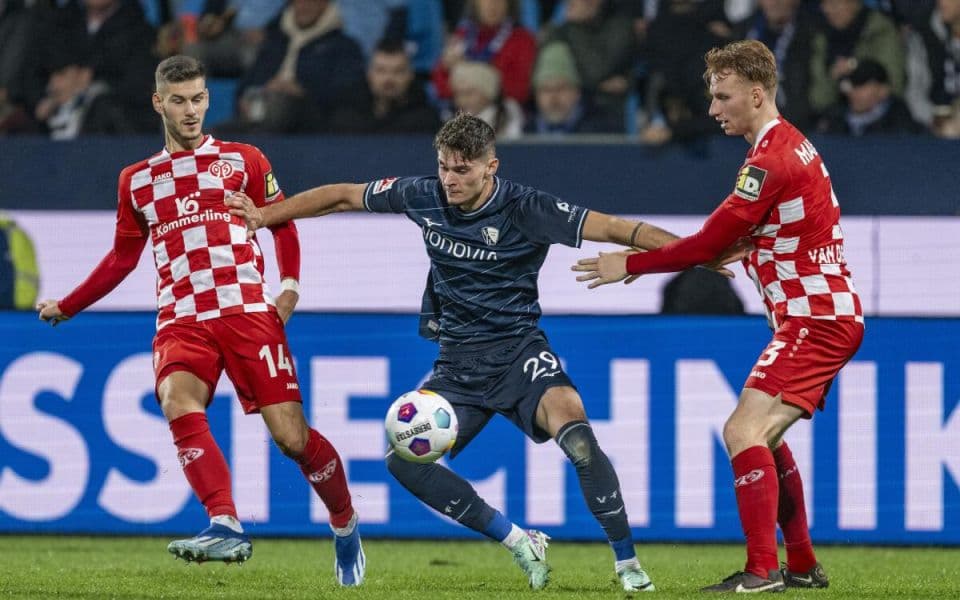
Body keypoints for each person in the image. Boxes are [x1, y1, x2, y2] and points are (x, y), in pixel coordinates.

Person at [226, 112, 716, 593]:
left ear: (490, 167)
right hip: (458, 365)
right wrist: (264, 216)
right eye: (444, 166)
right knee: (402, 461)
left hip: (520, 353)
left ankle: (628, 564)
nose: (450, 179)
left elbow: (617, 228)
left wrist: (695, 252)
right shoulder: (424, 195)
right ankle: (518, 540)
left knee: (579, 438)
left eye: (462, 169)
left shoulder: (527, 208)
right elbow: (341, 196)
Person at [35, 55, 365, 587]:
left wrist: (289, 287)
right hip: (182, 317)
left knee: (291, 439)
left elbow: (282, 224)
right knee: (175, 397)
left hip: (246, 311)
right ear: (158, 103)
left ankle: (344, 522)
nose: (190, 111)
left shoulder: (244, 159)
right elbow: (121, 258)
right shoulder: (136, 180)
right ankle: (224, 522)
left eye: (198, 99)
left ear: (208, 99)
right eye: (179, 101)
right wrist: (69, 304)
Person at [573, 40, 864, 593]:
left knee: (742, 431)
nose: (712, 109)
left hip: (816, 318)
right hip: (820, 314)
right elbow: (743, 237)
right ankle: (801, 565)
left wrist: (629, 263)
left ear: (756, 94)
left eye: (722, 97)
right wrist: (722, 249)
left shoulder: (769, 161)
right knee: (764, 437)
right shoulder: (789, 145)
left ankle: (762, 570)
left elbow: (708, 243)